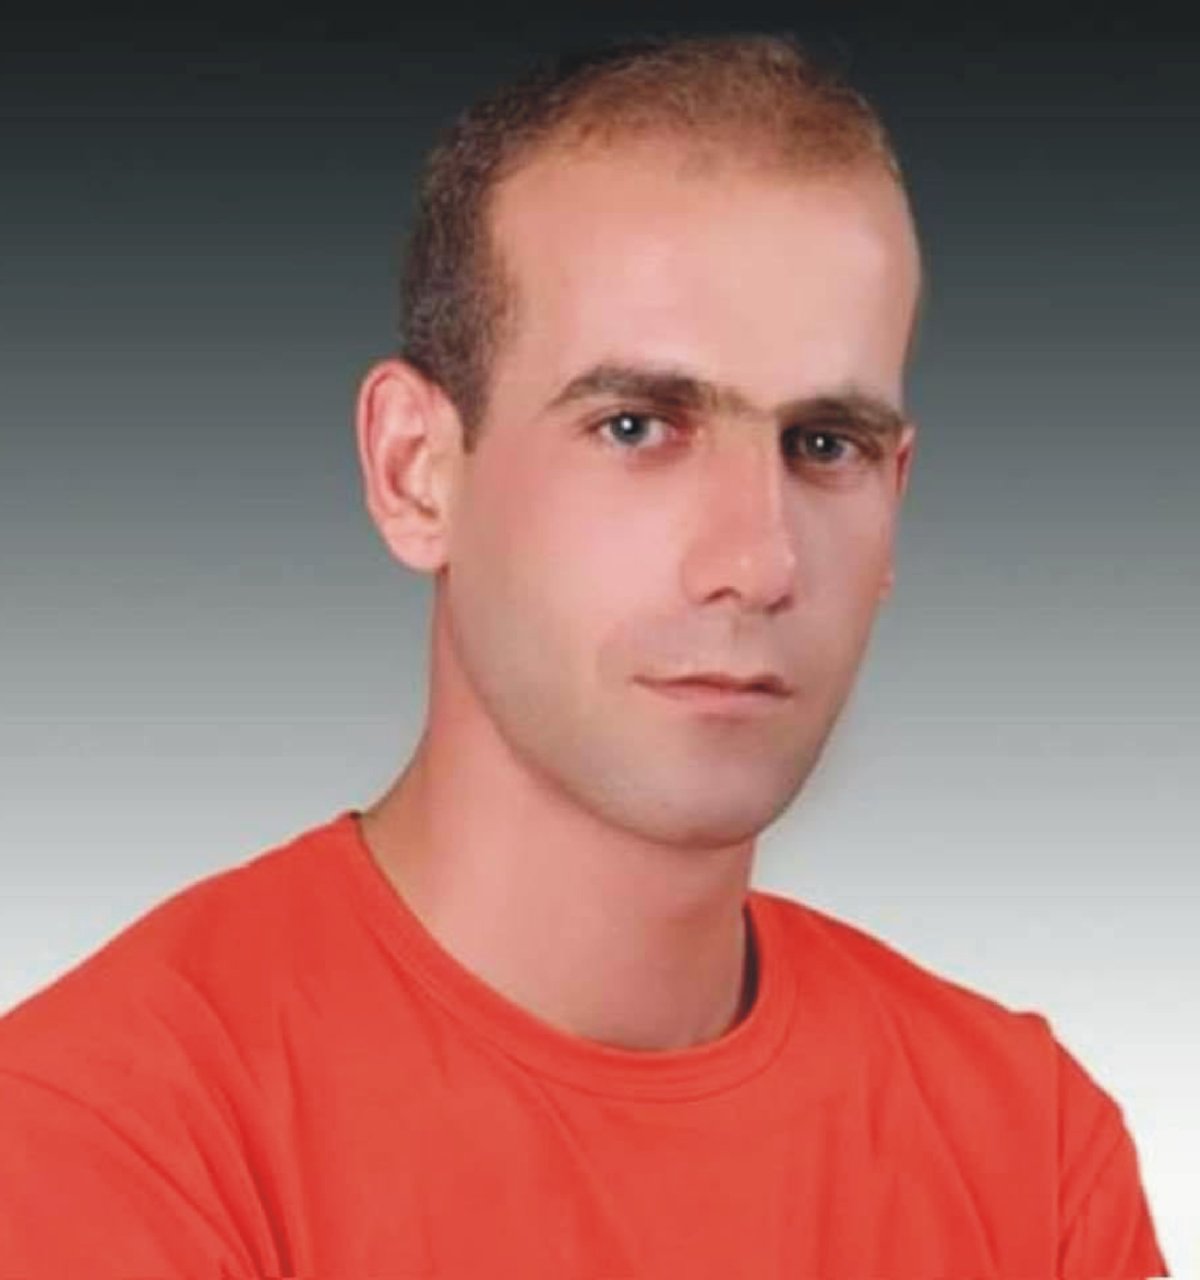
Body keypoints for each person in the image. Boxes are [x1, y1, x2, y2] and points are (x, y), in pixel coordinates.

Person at [0, 33, 1169, 1279]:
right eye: (636, 426)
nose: (758, 560)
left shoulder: (1030, 1146)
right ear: (415, 470)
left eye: (826, 444)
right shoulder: (110, 1136)